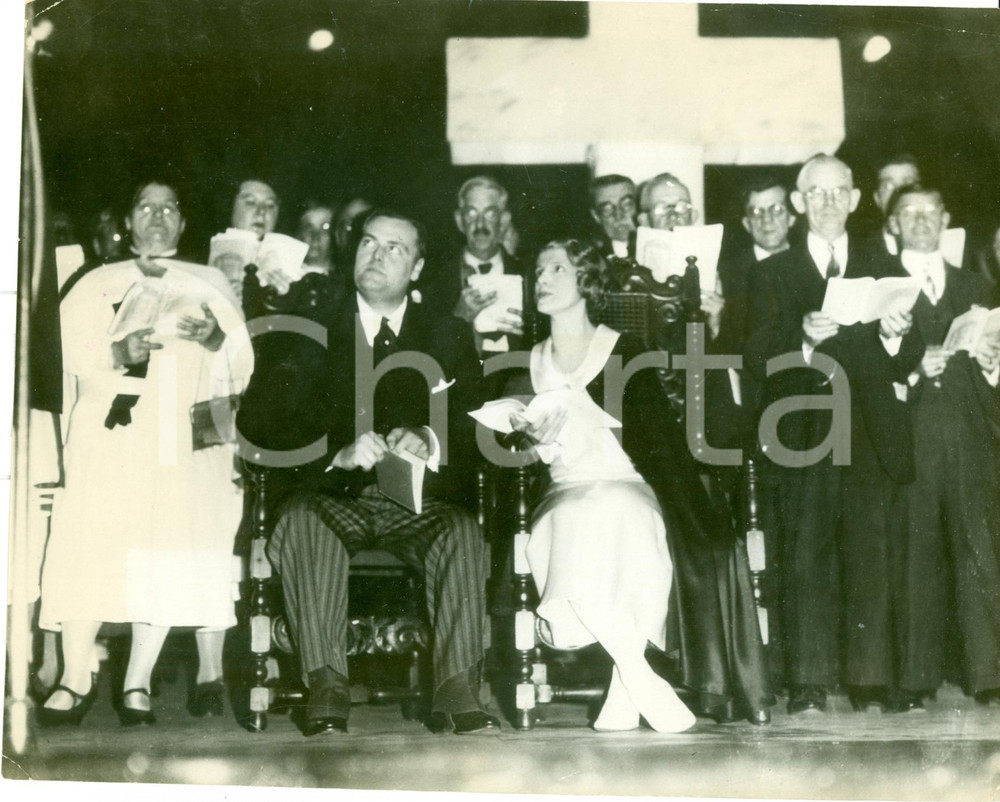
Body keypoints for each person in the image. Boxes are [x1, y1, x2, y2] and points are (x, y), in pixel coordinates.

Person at [242, 209, 495, 737]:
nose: (377, 255)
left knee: (463, 532)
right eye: (369, 243)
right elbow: (261, 424)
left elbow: (480, 426)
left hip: (417, 505)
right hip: (333, 497)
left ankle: (456, 687)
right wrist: (336, 453)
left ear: (419, 267)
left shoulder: (447, 335)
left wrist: (431, 438)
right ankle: (328, 684)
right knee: (305, 523)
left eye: (395, 248)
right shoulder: (309, 328)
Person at [506, 238, 773, 728]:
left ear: (586, 281)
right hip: (565, 488)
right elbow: (506, 442)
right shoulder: (527, 360)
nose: (541, 278)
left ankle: (625, 683)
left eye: (557, 268)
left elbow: (659, 444)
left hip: (629, 481)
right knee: (574, 519)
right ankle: (636, 674)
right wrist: (523, 435)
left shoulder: (623, 350)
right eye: (538, 270)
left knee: (627, 516)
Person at [38, 180, 253, 727]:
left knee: (164, 543)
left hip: (173, 438)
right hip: (109, 433)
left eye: (169, 208)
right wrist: (116, 349)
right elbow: (57, 354)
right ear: (127, 223)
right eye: (145, 207)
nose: (157, 216)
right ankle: (74, 674)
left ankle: (136, 680)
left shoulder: (208, 283)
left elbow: (241, 367)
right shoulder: (95, 281)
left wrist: (213, 337)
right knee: (92, 543)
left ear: (183, 225)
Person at [745, 154, 920, 715]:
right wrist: (800, 338)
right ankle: (810, 681)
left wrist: (897, 335)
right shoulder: (771, 272)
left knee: (870, 549)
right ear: (798, 204)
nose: (825, 203)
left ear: (855, 198)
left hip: (869, 425)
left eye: (836, 192)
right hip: (803, 426)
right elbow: (751, 354)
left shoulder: (881, 261)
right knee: (807, 552)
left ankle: (870, 679)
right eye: (813, 193)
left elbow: (908, 355)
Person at [886, 183, 1000, 708]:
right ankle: (914, 679)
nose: (921, 221)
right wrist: (910, 370)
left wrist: (992, 362)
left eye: (931, 212)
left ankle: (988, 674)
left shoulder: (978, 285)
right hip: (910, 438)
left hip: (970, 435)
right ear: (893, 224)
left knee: (979, 551)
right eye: (909, 213)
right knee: (916, 556)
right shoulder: (880, 287)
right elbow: (867, 368)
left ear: (946, 218)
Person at [438, 175, 526, 356]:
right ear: (459, 220)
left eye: (490, 213)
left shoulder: (528, 274)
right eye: (471, 213)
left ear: (503, 220)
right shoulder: (435, 278)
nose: (480, 224)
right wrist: (458, 318)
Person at [868, 153, 921, 258]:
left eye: (908, 185)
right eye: (889, 186)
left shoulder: (951, 248)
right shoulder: (861, 253)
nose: (898, 194)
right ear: (877, 198)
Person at [589, 174, 638, 261]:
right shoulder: (593, 260)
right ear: (596, 216)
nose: (618, 216)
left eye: (626, 205)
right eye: (607, 209)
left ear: (638, 206)